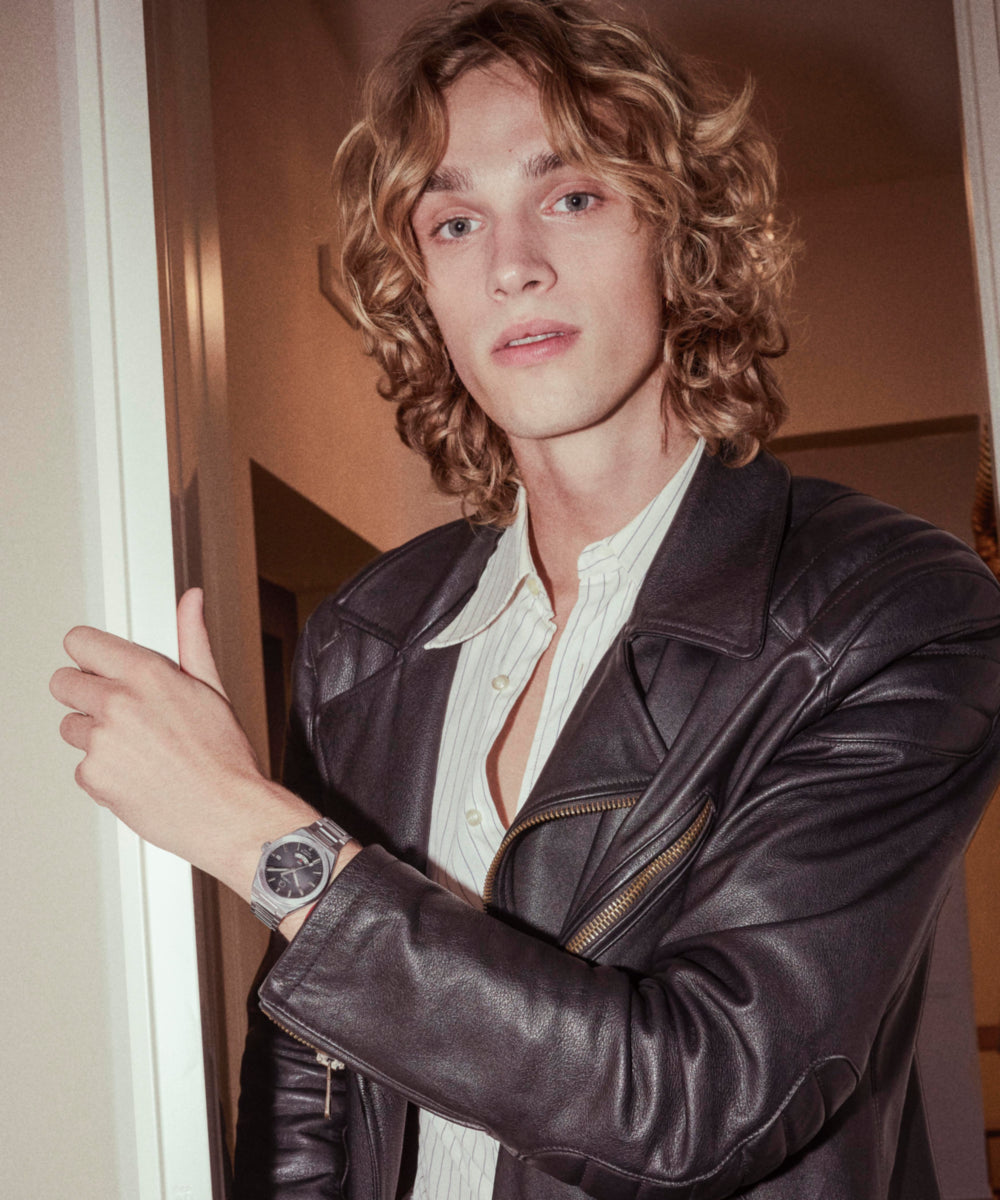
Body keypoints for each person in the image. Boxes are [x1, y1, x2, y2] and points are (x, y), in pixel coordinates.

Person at [50, 1, 1000, 1198]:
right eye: (454, 222)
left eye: (572, 196)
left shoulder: (891, 611)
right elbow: (309, 1074)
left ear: (679, 231)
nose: (511, 264)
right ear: (422, 292)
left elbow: (703, 1103)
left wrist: (256, 836)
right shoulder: (365, 639)